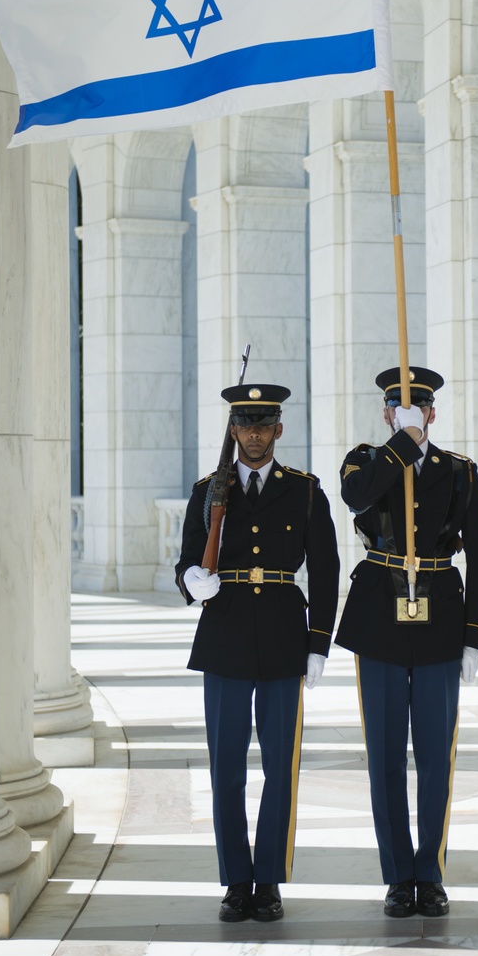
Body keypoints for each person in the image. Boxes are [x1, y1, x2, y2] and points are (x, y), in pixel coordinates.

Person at [334, 366, 478, 918]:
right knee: (384, 755)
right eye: (398, 410)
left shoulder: (460, 473)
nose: (410, 416)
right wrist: (401, 447)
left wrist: (473, 635)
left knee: (434, 754)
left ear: (433, 413)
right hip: (380, 614)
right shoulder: (365, 459)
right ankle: (398, 875)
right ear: (387, 415)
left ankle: (430, 871)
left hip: (440, 619)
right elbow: (357, 496)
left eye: (419, 409)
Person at [176, 382, 339, 924]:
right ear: (233, 430)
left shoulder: (305, 491)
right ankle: (236, 879)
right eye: (245, 425)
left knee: (279, 767)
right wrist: (191, 580)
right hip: (223, 635)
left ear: (278, 430)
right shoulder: (208, 491)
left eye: (264, 424)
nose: (254, 433)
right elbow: (184, 563)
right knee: (226, 769)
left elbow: (327, 569)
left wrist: (319, 643)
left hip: (282, 634)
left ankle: (267, 879)